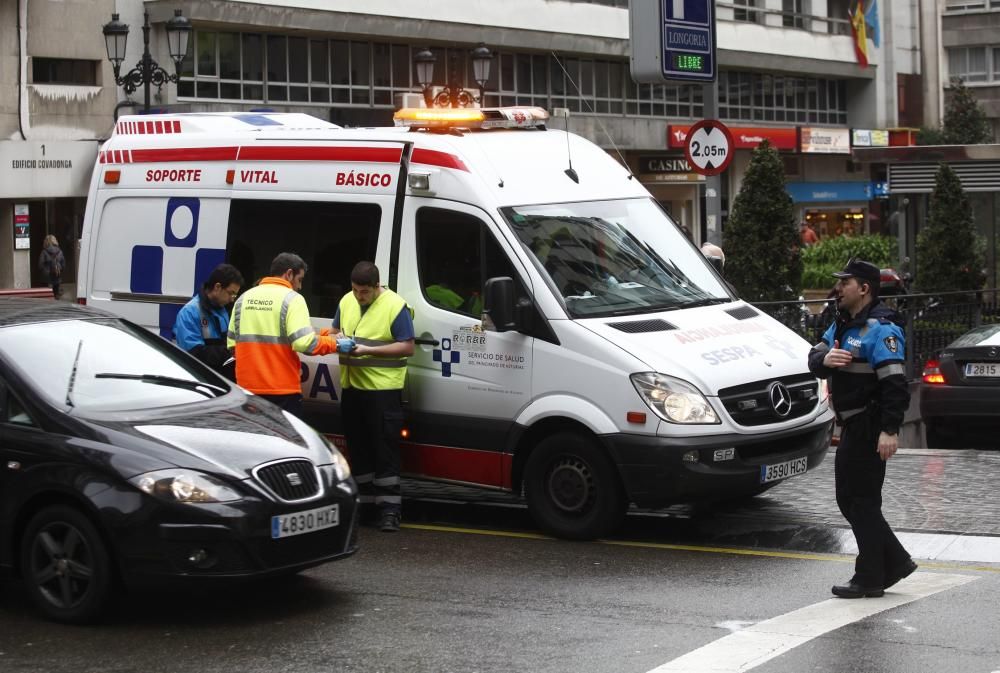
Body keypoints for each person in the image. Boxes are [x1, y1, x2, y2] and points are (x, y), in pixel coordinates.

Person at [807, 258, 917, 598]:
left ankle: (870, 576)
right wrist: (824, 360)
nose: (838, 289)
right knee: (849, 499)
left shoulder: (881, 330)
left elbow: (895, 385)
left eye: (846, 282)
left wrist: (890, 430)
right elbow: (814, 357)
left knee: (862, 502)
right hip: (853, 425)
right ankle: (895, 562)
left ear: (864, 289)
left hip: (869, 426)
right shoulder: (842, 325)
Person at [332, 261, 414, 533]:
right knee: (359, 450)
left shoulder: (394, 305)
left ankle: (390, 511)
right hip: (352, 388)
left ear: (377, 286)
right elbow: (333, 333)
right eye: (355, 290)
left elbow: (407, 346)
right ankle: (365, 507)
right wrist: (338, 338)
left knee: (385, 451)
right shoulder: (346, 301)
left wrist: (366, 350)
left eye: (364, 292)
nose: (359, 296)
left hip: (382, 392)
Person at [227, 252, 337, 417]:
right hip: (282, 392)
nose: (300, 286)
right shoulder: (293, 299)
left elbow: (232, 346)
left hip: (247, 392)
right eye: (300, 280)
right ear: (289, 274)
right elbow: (303, 343)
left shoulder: (243, 299)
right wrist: (336, 344)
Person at [174, 263, 244, 378]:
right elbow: (192, 353)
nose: (232, 300)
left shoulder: (221, 310)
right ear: (217, 287)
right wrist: (227, 352)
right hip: (199, 378)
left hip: (218, 378)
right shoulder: (189, 312)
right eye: (231, 293)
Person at [38, 234, 66, 299]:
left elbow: (40, 265)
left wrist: (45, 271)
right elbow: (63, 265)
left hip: (46, 278)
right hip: (57, 276)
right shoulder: (60, 252)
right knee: (56, 295)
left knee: (46, 296)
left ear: (46, 242)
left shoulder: (44, 252)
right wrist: (58, 270)